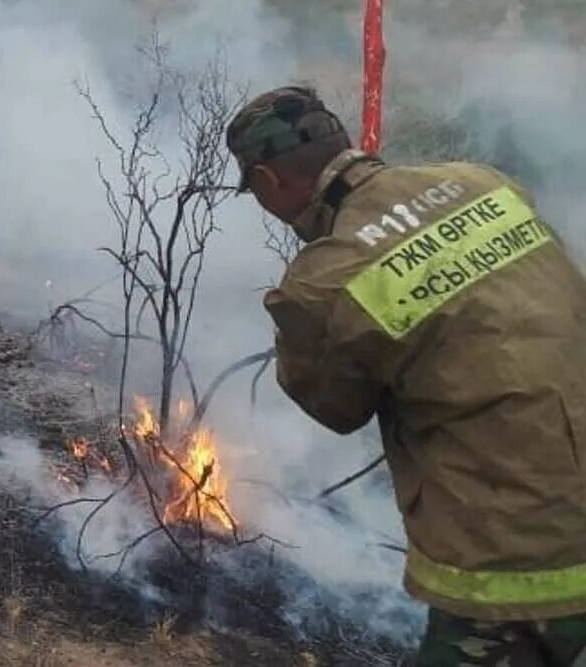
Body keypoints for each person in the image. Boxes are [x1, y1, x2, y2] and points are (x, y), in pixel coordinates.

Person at [226, 86, 586, 666]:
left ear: (267, 183)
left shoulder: (322, 283)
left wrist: (301, 317)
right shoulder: (484, 183)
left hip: (514, 565)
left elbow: (336, 410)